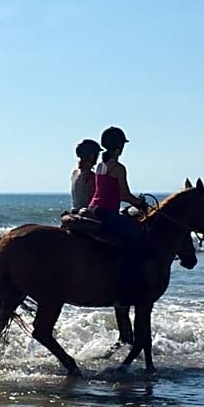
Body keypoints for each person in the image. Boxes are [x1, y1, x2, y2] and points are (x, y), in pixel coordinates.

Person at [87, 126, 149, 302]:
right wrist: (140, 202)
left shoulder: (100, 165)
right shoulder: (118, 168)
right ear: (119, 148)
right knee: (136, 238)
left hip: (94, 209)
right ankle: (129, 280)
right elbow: (124, 195)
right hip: (107, 212)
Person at [71, 138, 102, 211]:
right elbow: (92, 201)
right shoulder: (91, 176)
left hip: (74, 211)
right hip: (85, 213)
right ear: (92, 156)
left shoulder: (75, 173)